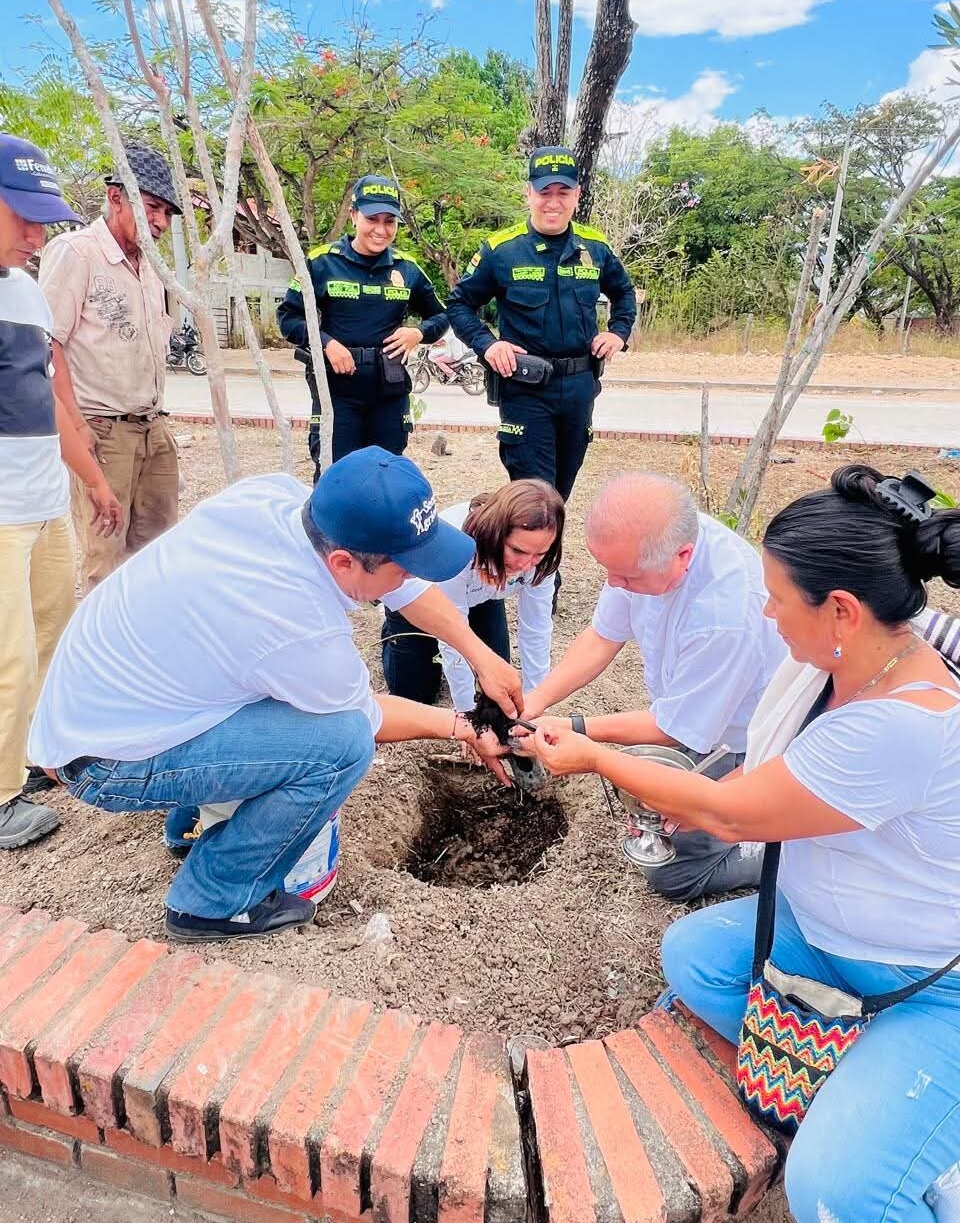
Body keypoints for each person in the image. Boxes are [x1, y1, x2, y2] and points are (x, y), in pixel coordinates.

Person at [528, 464, 960, 1223]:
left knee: (837, 1191)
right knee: (692, 958)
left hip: (923, 978)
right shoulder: (849, 663)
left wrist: (593, 752)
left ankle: (901, 1120)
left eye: (779, 598)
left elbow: (732, 815)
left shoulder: (899, 721)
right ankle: (865, 1084)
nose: (767, 611)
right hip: (821, 930)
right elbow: (761, 798)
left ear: (842, 612)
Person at [28, 447, 521, 941]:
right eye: (405, 565)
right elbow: (365, 718)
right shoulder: (294, 625)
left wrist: (483, 657)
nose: (413, 575)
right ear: (344, 561)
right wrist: (466, 726)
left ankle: (188, 826)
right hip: (104, 762)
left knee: (261, 691)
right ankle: (212, 901)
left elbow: (398, 587)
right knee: (342, 745)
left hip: (105, 706)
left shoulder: (278, 500)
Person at [522, 472, 785, 900]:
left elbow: (672, 729)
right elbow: (603, 635)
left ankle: (778, 846)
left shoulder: (725, 614)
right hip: (688, 714)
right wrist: (536, 702)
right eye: (608, 570)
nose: (613, 584)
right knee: (656, 800)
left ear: (683, 556)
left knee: (674, 874)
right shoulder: (645, 548)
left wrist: (578, 730)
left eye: (625, 577)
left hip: (743, 737)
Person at [0, 133, 122, 849]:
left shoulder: (26, 293)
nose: (37, 234)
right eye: (21, 216)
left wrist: (94, 483)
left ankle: (35, 753)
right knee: (7, 654)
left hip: (43, 505)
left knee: (49, 637)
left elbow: (51, 402)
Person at [446, 146, 636, 505]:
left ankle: (546, 561)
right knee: (534, 497)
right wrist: (488, 345)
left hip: (580, 387)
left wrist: (618, 332)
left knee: (560, 495)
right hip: (526, 390)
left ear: (577, 195)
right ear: (528, 193)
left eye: (563, 192)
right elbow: (459, 305)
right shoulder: (501, 250)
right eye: (544, 192)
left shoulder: (595, 248)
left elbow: (623, 293)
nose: (553, 202)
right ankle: (533, 562)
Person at [38, 143, 180, 591]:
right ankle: (105, 658)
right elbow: (48, 344)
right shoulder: (76, 253)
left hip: (153, 426)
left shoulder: (153, 266)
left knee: (159, 553)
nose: (160, 223)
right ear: (116, 197)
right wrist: (78, 427)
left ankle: (149, 651)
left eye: (167, 213)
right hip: (102, 429)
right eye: (152, 208)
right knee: (106, 562)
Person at [277, 174, 448, 476]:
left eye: (389, 221)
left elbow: (444, 315)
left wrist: (417, 333)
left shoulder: (407, 269)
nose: (381, 230)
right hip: (337, 390)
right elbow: (288, 318)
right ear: (354, 215)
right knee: (335, 474)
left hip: (388, 390)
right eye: (372, 219)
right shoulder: (320, 263)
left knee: (385, 474)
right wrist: (326, 343)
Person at [380, 479, 564, 709]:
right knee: (417, 694)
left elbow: (536, 629)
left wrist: (535, 703)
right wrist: (467, 716)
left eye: (539, 554)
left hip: (480, 598)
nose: (526, 564)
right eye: (517, 550)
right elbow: (451, 641)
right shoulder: (458, 550)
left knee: (495, 684)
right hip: (421, 599)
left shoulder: (543, 559)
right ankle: (393, 628)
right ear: (496, 534)